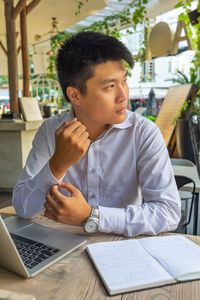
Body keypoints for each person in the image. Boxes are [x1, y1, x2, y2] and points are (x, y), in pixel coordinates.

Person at [12, 31, 181, 237]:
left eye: (124, 81)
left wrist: (92, 216)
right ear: (75, 95)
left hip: (122, 248)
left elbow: (168, 212)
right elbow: (23, 208)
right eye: (110, 86)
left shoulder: (143, 132)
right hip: (62, 248)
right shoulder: (51, 131)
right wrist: (57, 165)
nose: (123, 95)